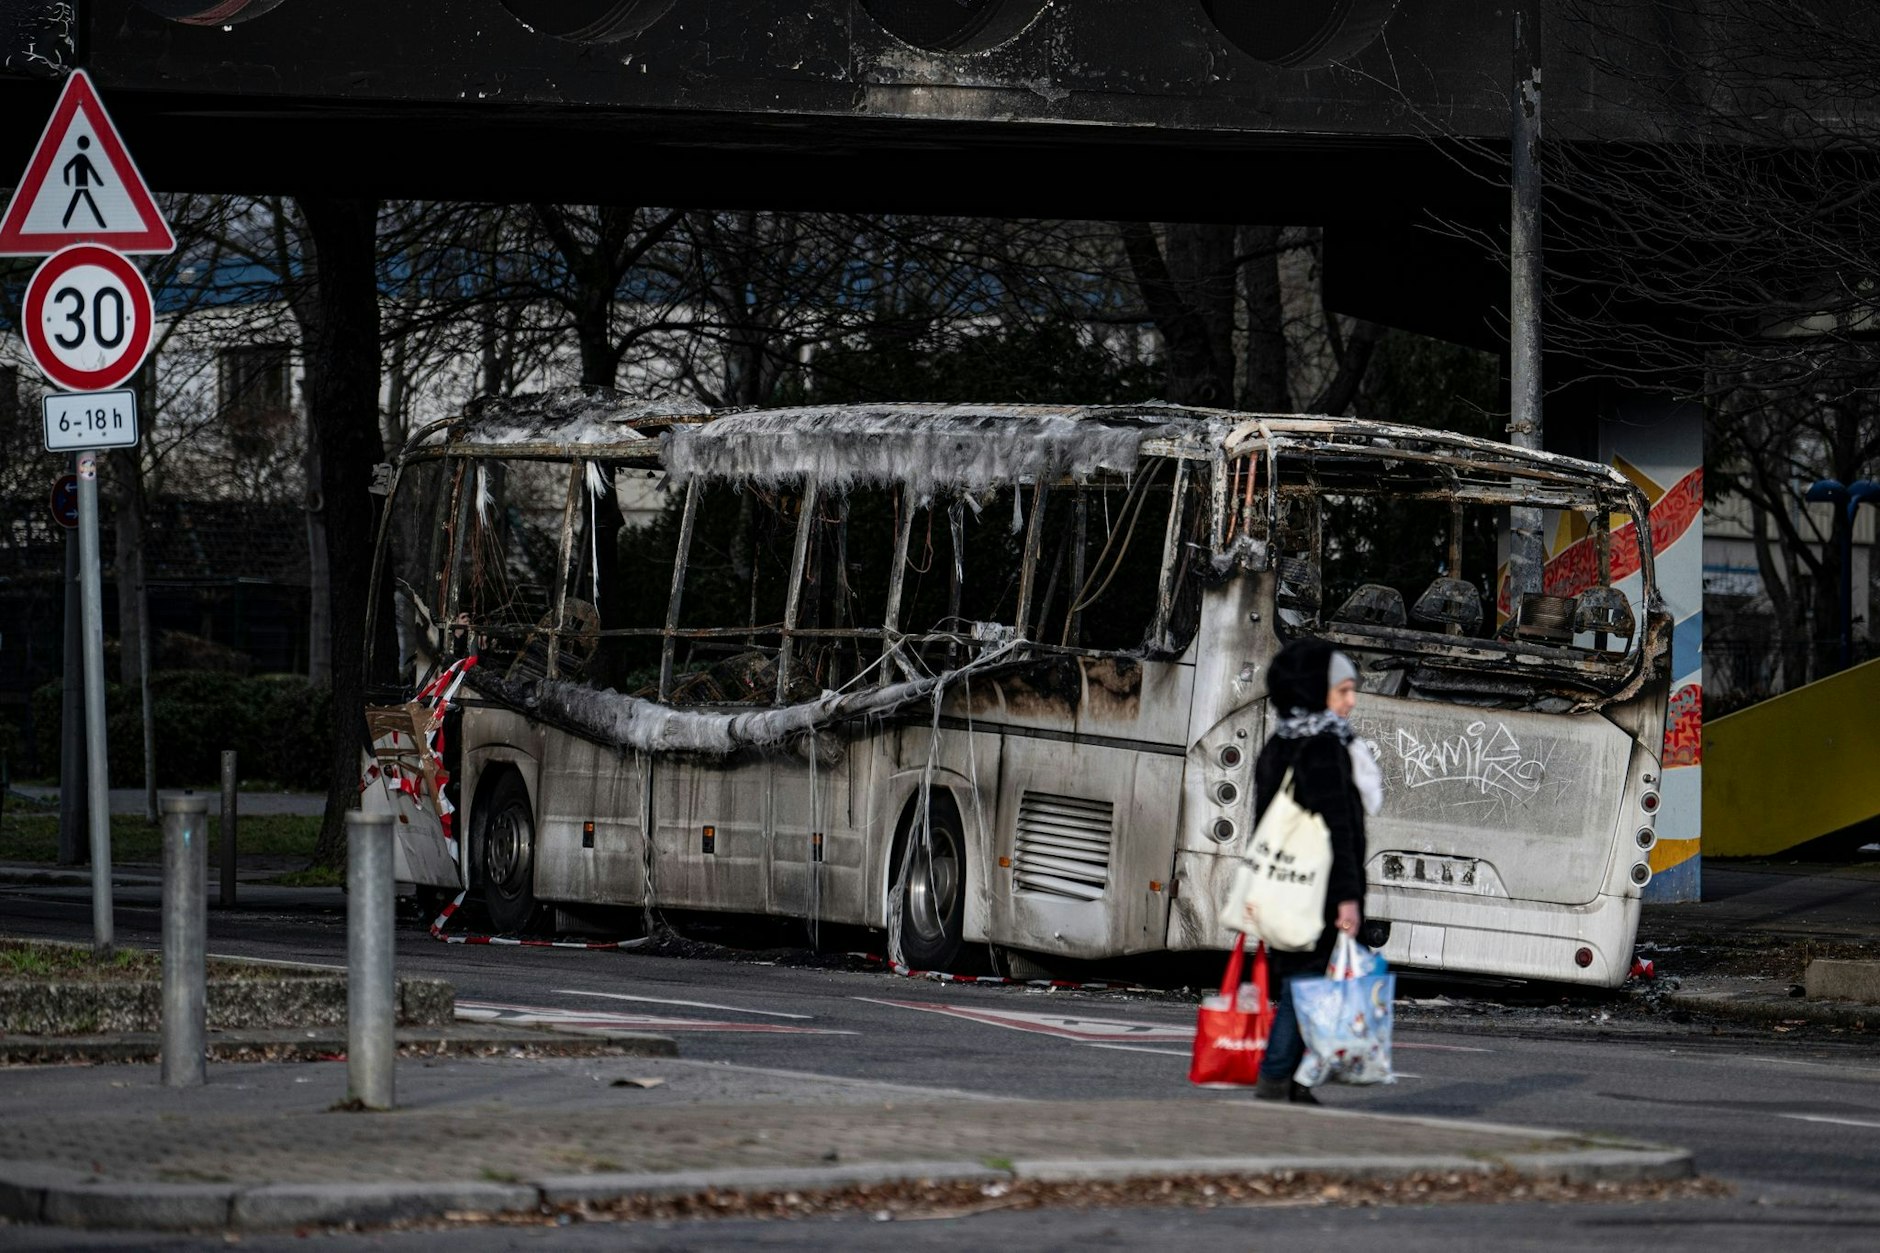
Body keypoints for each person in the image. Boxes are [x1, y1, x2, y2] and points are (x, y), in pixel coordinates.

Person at [1251, 637, 1383, 1103]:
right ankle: (1275, 1077)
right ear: (1314, 688)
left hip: (1285, 886)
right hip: (1321, 891)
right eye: (1342, 690)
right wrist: (1348, 898)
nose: (1351, 701)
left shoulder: (1278, 744)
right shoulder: (1325, 748)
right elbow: (1338, 829)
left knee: (1303, 982)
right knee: (1308, 985)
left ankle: (1294, 1085)